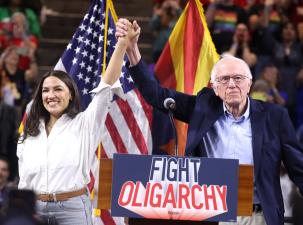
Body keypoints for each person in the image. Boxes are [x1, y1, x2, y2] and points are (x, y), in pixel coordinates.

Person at [115, 18, 303, 225]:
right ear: (214, 86)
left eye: (238, 78)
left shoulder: (275, 116)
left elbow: (298, 167)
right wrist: (132, 49)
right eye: (224, 79)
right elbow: (155, 93)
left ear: (249, 84)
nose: (232, 85)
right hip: (214, 216)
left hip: (259, 215)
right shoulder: (202, 109)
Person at [17, 23, 139, 225]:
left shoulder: (86, 123)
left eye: (58, 89)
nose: (51, 95)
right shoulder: (30, 130)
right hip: (33, 209)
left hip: (72, 210)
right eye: (45, 90)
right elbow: (24, 177)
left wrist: (122, 45)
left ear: (71, 94)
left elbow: (106, 87)